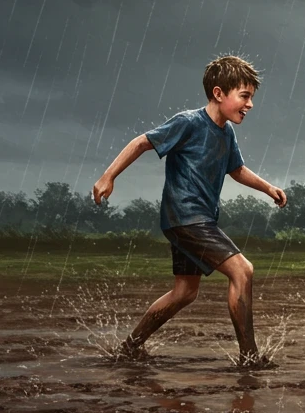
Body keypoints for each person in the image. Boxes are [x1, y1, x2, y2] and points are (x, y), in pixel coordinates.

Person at [92, 55, 287, 365]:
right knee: (243, 270)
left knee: (185, 292)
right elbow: (142, 142)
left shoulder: (226, 132)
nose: (250, 104)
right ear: (219, 93)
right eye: (245, 96)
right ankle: (250, 356)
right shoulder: (189, 122)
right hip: (186, 217)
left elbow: (236, 169)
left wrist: (268, 188)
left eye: (251, 97)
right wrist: (108, 176)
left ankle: (130, 347)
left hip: (193, 220)